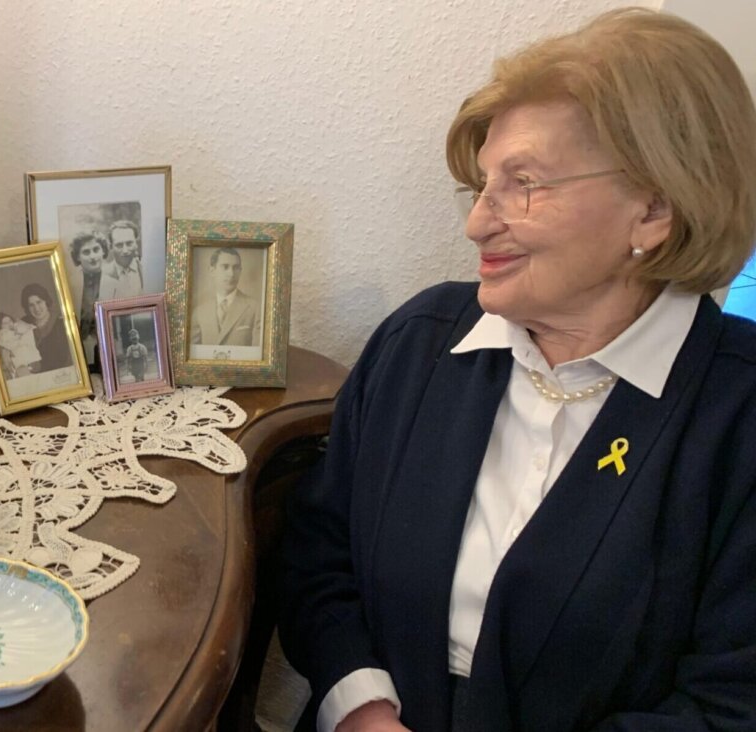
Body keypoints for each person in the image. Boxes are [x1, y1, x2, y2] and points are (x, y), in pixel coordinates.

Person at [279, 9, 756, 732]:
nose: (477, 223)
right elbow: (319, 552)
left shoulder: (740, 418)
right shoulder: (417, 345)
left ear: (654, 209)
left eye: (523, 183)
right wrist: (360, 708)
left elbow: (732, 702)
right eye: (481, 185)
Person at [190, 247, 261, 347]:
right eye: (225, 267)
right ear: (212, 271)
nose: (231, 274)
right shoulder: (199, 312)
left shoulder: (255, 308)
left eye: (236, 268)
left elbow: (257, 355)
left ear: (240, 271)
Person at [69, 231, 111, 366]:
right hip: (81, 347)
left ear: (103, 251)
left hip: (109, 345)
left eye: (96, 250)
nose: (93, 256)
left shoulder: (115, 280)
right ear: (77, 257)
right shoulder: (71, 283)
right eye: (86, 252)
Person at [21, 282, 73, 371]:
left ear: (46, 301)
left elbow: (70, 358)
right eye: (31, 305)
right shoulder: (23, 324)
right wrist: (5, 351)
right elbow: (5, 336)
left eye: (39, 302)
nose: (36, 308)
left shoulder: (62, 324)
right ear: (27, 308)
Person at [101, 219, 144, 300]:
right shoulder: (103, 275)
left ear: (136, 244)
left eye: (129, 243)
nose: (125, 250)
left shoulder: (145, 269)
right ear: (111, 247)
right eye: (119, 245)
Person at [0, 311, 41, 377]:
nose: (9, 323)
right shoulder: (4, 333)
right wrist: (20, 337)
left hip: (24, 357)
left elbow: (27, 330)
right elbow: (10, 344)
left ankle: (29, 367)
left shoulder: (15, 328)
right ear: (1, 326)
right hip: (16, 358)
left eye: (10, 320)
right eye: (5, 323)